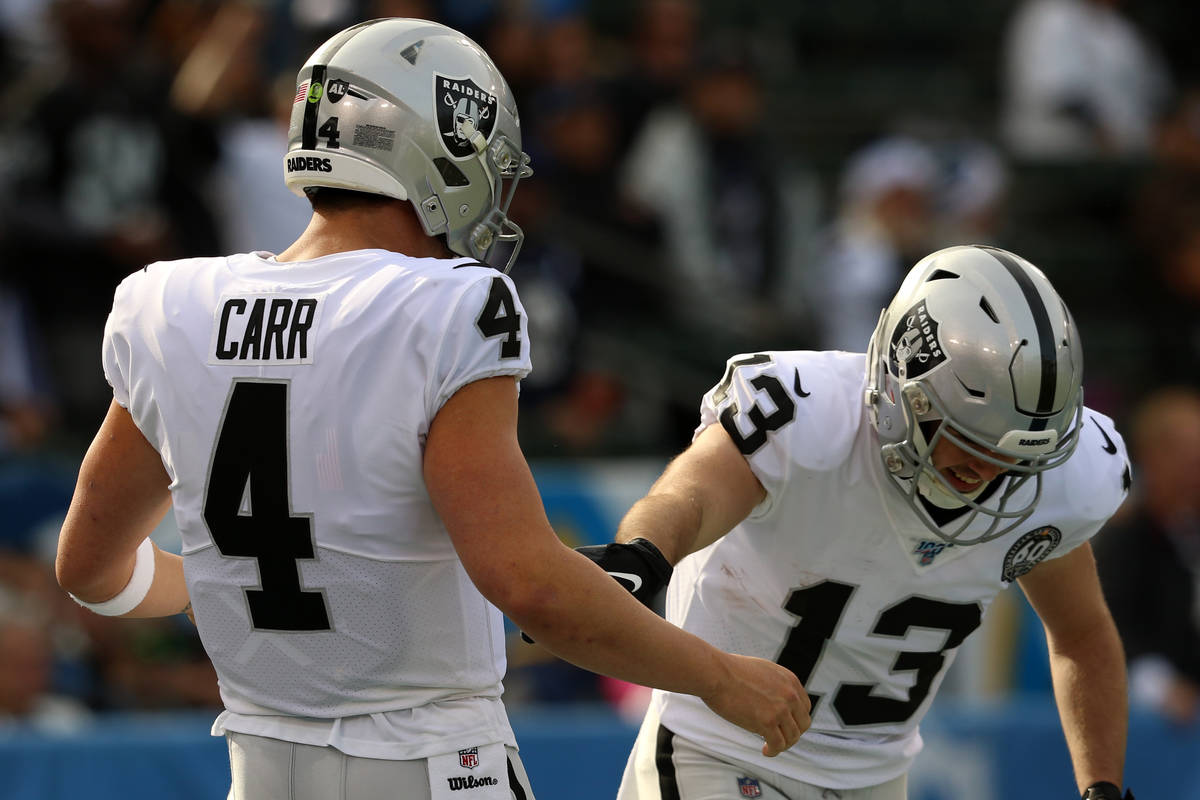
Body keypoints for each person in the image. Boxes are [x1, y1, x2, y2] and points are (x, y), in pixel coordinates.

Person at [52, 18, 809, 800]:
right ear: (432, 149)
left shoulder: (170, 306)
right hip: (433, 769)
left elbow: (91, 570)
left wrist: (230, 578)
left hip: (262, 771)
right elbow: (530, 586)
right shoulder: (446, 304)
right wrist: (717, 676)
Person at [571, 245, 1136, 799]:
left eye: (1017, 457)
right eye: (969, 440)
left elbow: (1081, 635)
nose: (991, 472)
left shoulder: (1064, 478)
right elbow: (691, 493)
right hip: (719, 749)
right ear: (905, 388)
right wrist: (642, 553)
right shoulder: (810, 416)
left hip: (875, 777)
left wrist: (1102, 787)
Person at [1095, 387, 1200, 725]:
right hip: (1146, 719)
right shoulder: (1122, 538)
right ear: (1152, 457)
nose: (1194, 472)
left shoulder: (1189, 532)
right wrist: (1161, 686)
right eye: (1188, 458)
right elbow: (1107, 629)